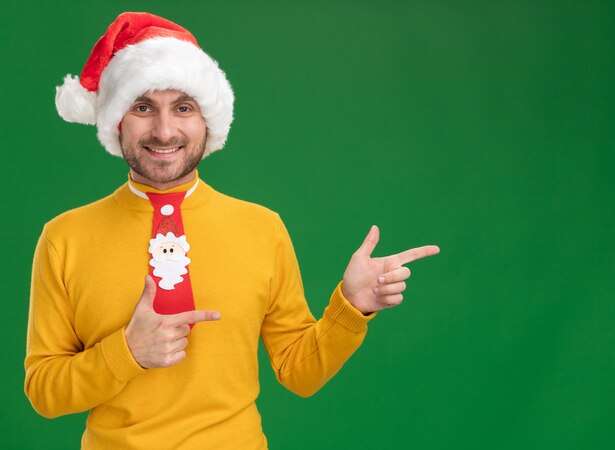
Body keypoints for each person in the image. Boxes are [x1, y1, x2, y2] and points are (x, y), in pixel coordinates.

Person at [24, 12, 439, 450]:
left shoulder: (262, 229)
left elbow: (300, 372)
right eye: (142, 107)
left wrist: (351, 307)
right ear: (116, 121)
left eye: (183, 108)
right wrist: (126, 352)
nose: (164, 130)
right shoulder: (63, 238)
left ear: (209, 121)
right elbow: (43, 392)